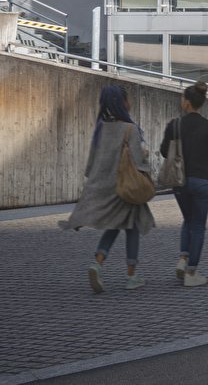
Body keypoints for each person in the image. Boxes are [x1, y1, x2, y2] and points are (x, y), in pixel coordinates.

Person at [60, 85, 157, 293]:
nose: (130, 103)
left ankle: (98, 263)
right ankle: (132, 276)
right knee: (132, 227)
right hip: (126, 188)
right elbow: (139, 162)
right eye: (128, 99)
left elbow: (91, 165)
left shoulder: (101, 128)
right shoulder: (130, 129)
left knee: (112, 227)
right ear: (123, 103)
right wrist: (146, 156)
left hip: (106, 188)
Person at [160, 81, 208, 288]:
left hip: (180, 182)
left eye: (182, 99)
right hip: (202, 182)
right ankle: (191, 272)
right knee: (198, 226)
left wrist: (168, 130)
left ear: (187, 103)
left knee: (187, 220)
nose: (182, 102)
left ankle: (183, 258)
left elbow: (165, 152)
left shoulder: (175, 125)